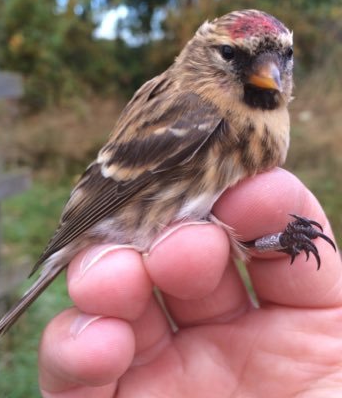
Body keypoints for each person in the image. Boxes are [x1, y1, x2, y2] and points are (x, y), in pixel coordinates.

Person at [38, 168, 342, 398]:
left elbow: (228, 231)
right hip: (128, 216)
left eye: (284, 77)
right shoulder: (202, 112)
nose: (270, 79)